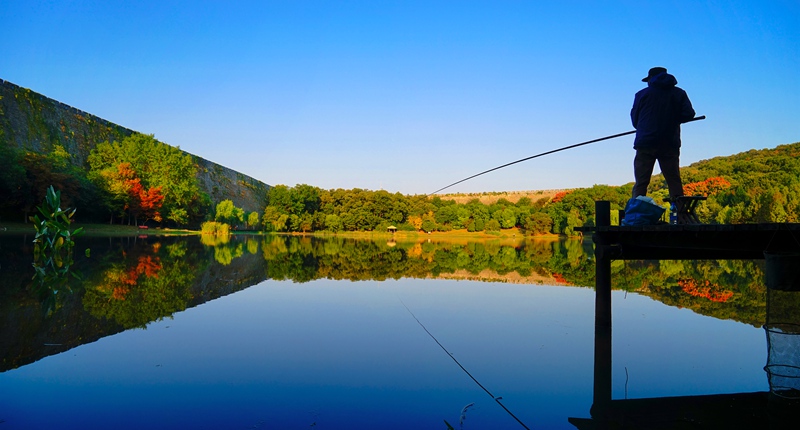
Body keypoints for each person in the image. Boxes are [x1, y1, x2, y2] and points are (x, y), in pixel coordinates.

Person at [630, 67, 695, 200]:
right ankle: (680, 215)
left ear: (651, 79)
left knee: (641, 182)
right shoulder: (679, 93)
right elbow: (689, 114)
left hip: (645, 142)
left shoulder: (642, 94)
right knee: (673, 180)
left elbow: (635, 120)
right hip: (670, 142)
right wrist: (673, 119)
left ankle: (637, 214)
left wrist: (645, 127)